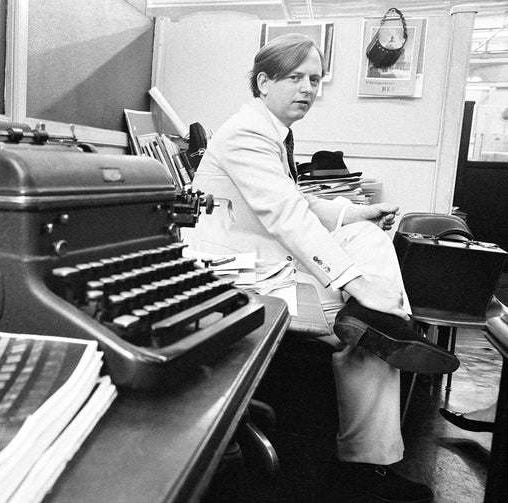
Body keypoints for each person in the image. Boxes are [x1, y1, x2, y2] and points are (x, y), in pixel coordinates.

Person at [182, 33, 459, 503]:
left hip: (262, 254)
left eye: (314, 79)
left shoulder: (270, 130)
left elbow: (295, 199)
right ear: (264, 82)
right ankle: (369, 461)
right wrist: (354, 282)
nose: (308, 87)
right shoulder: (247, 132)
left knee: (367, 237)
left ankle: (383, 323)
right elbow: (285, 216)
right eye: (295, 77)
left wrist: (353, 213)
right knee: (365, 324)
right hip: (236, 269)